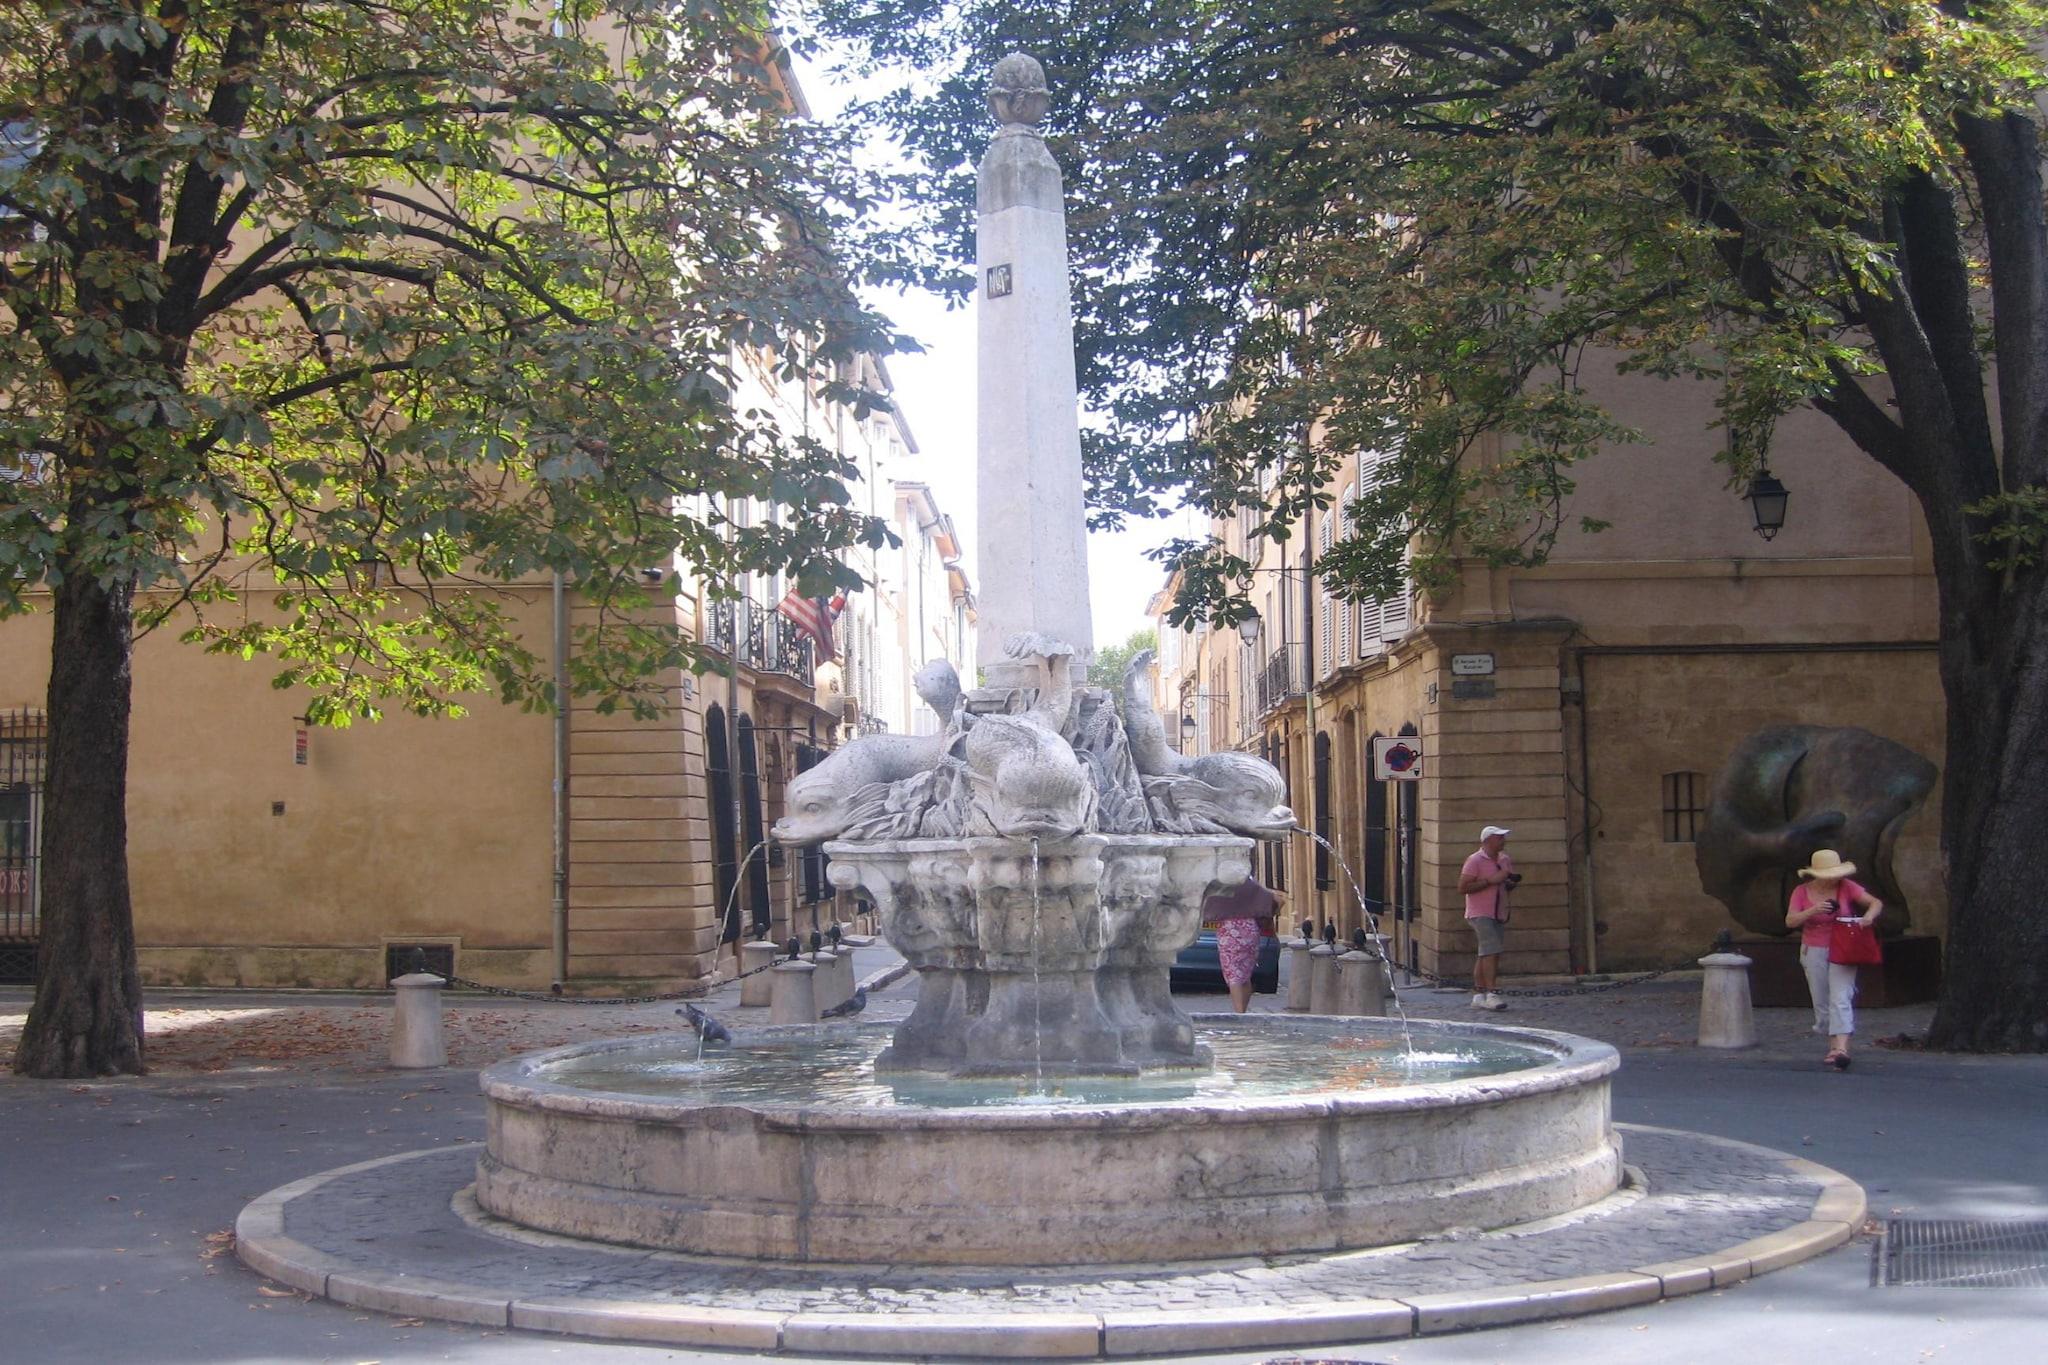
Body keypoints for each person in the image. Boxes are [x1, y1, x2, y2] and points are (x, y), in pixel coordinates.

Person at [1785, 848, 1883, 1071]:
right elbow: (1790, 921)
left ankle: (1841, 1049)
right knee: (1822, 999)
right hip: (1813, 949)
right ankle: (1833, 1044)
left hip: (1844, 949)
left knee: (1841, 996)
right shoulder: (1801, 892)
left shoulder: (1846, 887)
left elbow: (1875, 903)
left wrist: (1868, 917)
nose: (1832, 879)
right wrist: (1813, 910)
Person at [1458, 825, 1518, 1011]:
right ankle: (1492, 993)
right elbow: (1463, 887)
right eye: (1499, 838)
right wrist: (1490, 881)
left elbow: (1505, 883)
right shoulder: (1474, 860)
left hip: (1498, 911)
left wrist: (1509, 882)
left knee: (1486, 953)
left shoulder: (1504, 859)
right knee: (1491, 951)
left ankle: (1478, 994)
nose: (1503, 841)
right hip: (1480, 912)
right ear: (1487, 841)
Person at [1202, 875, 1279, 1013]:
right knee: (1245, 975)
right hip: (1250, 929)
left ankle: (1239, 1013)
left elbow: (1204, 903)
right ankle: (1243, 1010)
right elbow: (1278, 900)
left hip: (1228, 930)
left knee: (1233, 974)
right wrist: (1268, 915)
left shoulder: (1221, 886)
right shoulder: (1251, 885)